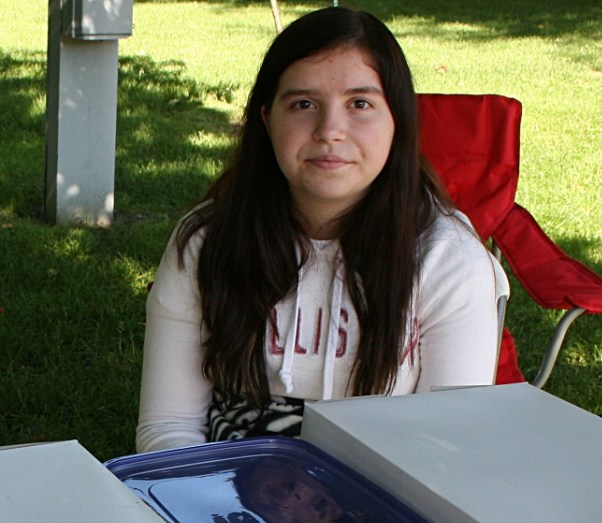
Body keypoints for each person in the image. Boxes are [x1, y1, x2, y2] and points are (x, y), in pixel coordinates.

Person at [136, 5, 507, 454]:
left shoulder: (449, 261)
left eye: (360, 104)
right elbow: (169, 426)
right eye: (303, 104)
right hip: (226, 486)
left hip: (387, 490)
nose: (330, 130)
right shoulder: (206, 242)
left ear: (398, 122)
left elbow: (448, 448)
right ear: (266, 117)